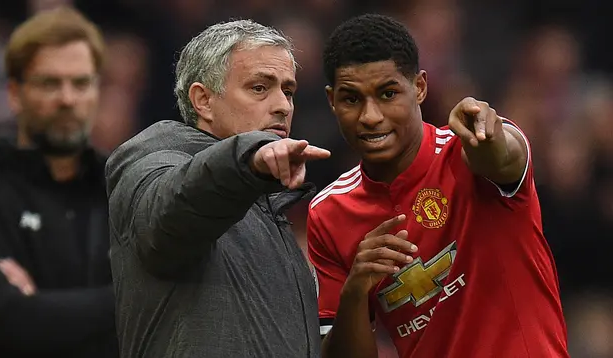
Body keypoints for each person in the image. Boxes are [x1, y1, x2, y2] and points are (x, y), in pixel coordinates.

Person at [307, 14, 569, 358]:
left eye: (388, 93)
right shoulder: (328, 214)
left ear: (419, 87)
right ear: (331, 101)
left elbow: (504, 157)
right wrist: (355, 291)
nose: (370, 116)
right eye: (351, 99)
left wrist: (488, 139)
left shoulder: (467, 150)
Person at [106, 19, 330, 358]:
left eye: (288, 90)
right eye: (259, 87)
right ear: (203, 100)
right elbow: (170, 216)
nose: (283, 105)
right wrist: (247, 159)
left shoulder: (268, 204)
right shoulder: (153, 159)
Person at [0, 7, 117, 358]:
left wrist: (43, 308)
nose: (67, 99)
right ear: (14, 93)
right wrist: (129, 299)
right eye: (50, 83)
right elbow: (9, 321)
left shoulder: (121, 187)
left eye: (81, 83)